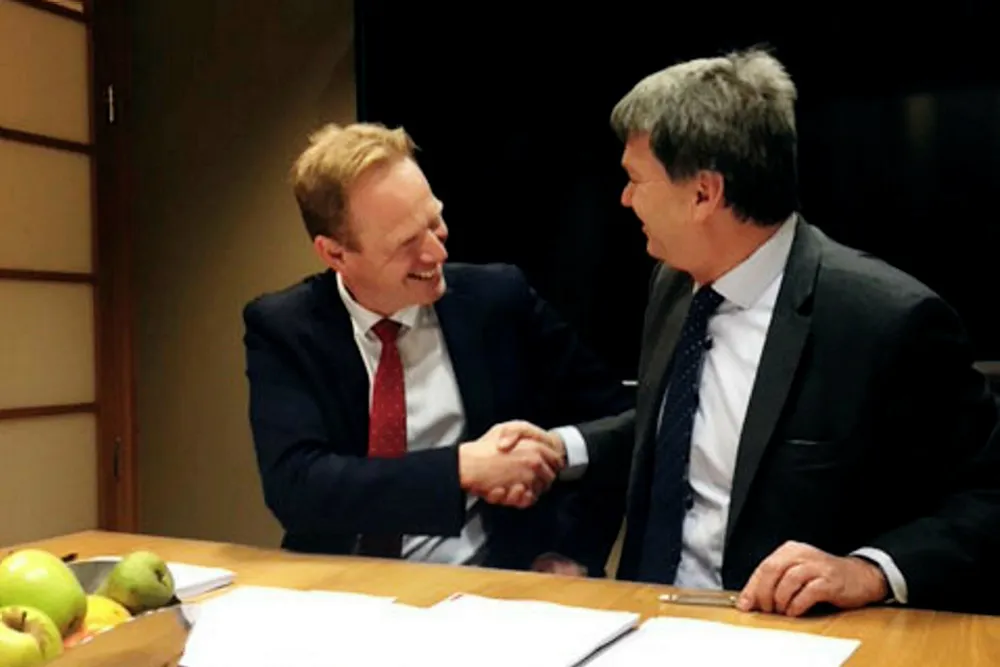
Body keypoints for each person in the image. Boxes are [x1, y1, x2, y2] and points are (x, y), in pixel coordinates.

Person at [513, 47, 1000, 615]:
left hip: (788, 632)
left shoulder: (887, 321)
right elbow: (682, 426)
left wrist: (868, 570)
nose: (624, 199)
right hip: (646, 615)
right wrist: (562, 448)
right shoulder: (675, 282)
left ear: (704, 194)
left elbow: (987, 496)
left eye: (635, 179)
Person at [241, 122, 631, 574]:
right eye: (406, 243)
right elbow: (299, 486)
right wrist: (462, 469)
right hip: (341, 586)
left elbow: (622, 425)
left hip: (488, 582)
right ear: (335, 254)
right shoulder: (284, 327)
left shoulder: (497, 301)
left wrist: (569, 550)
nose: (436, 253)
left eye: (433, 221)